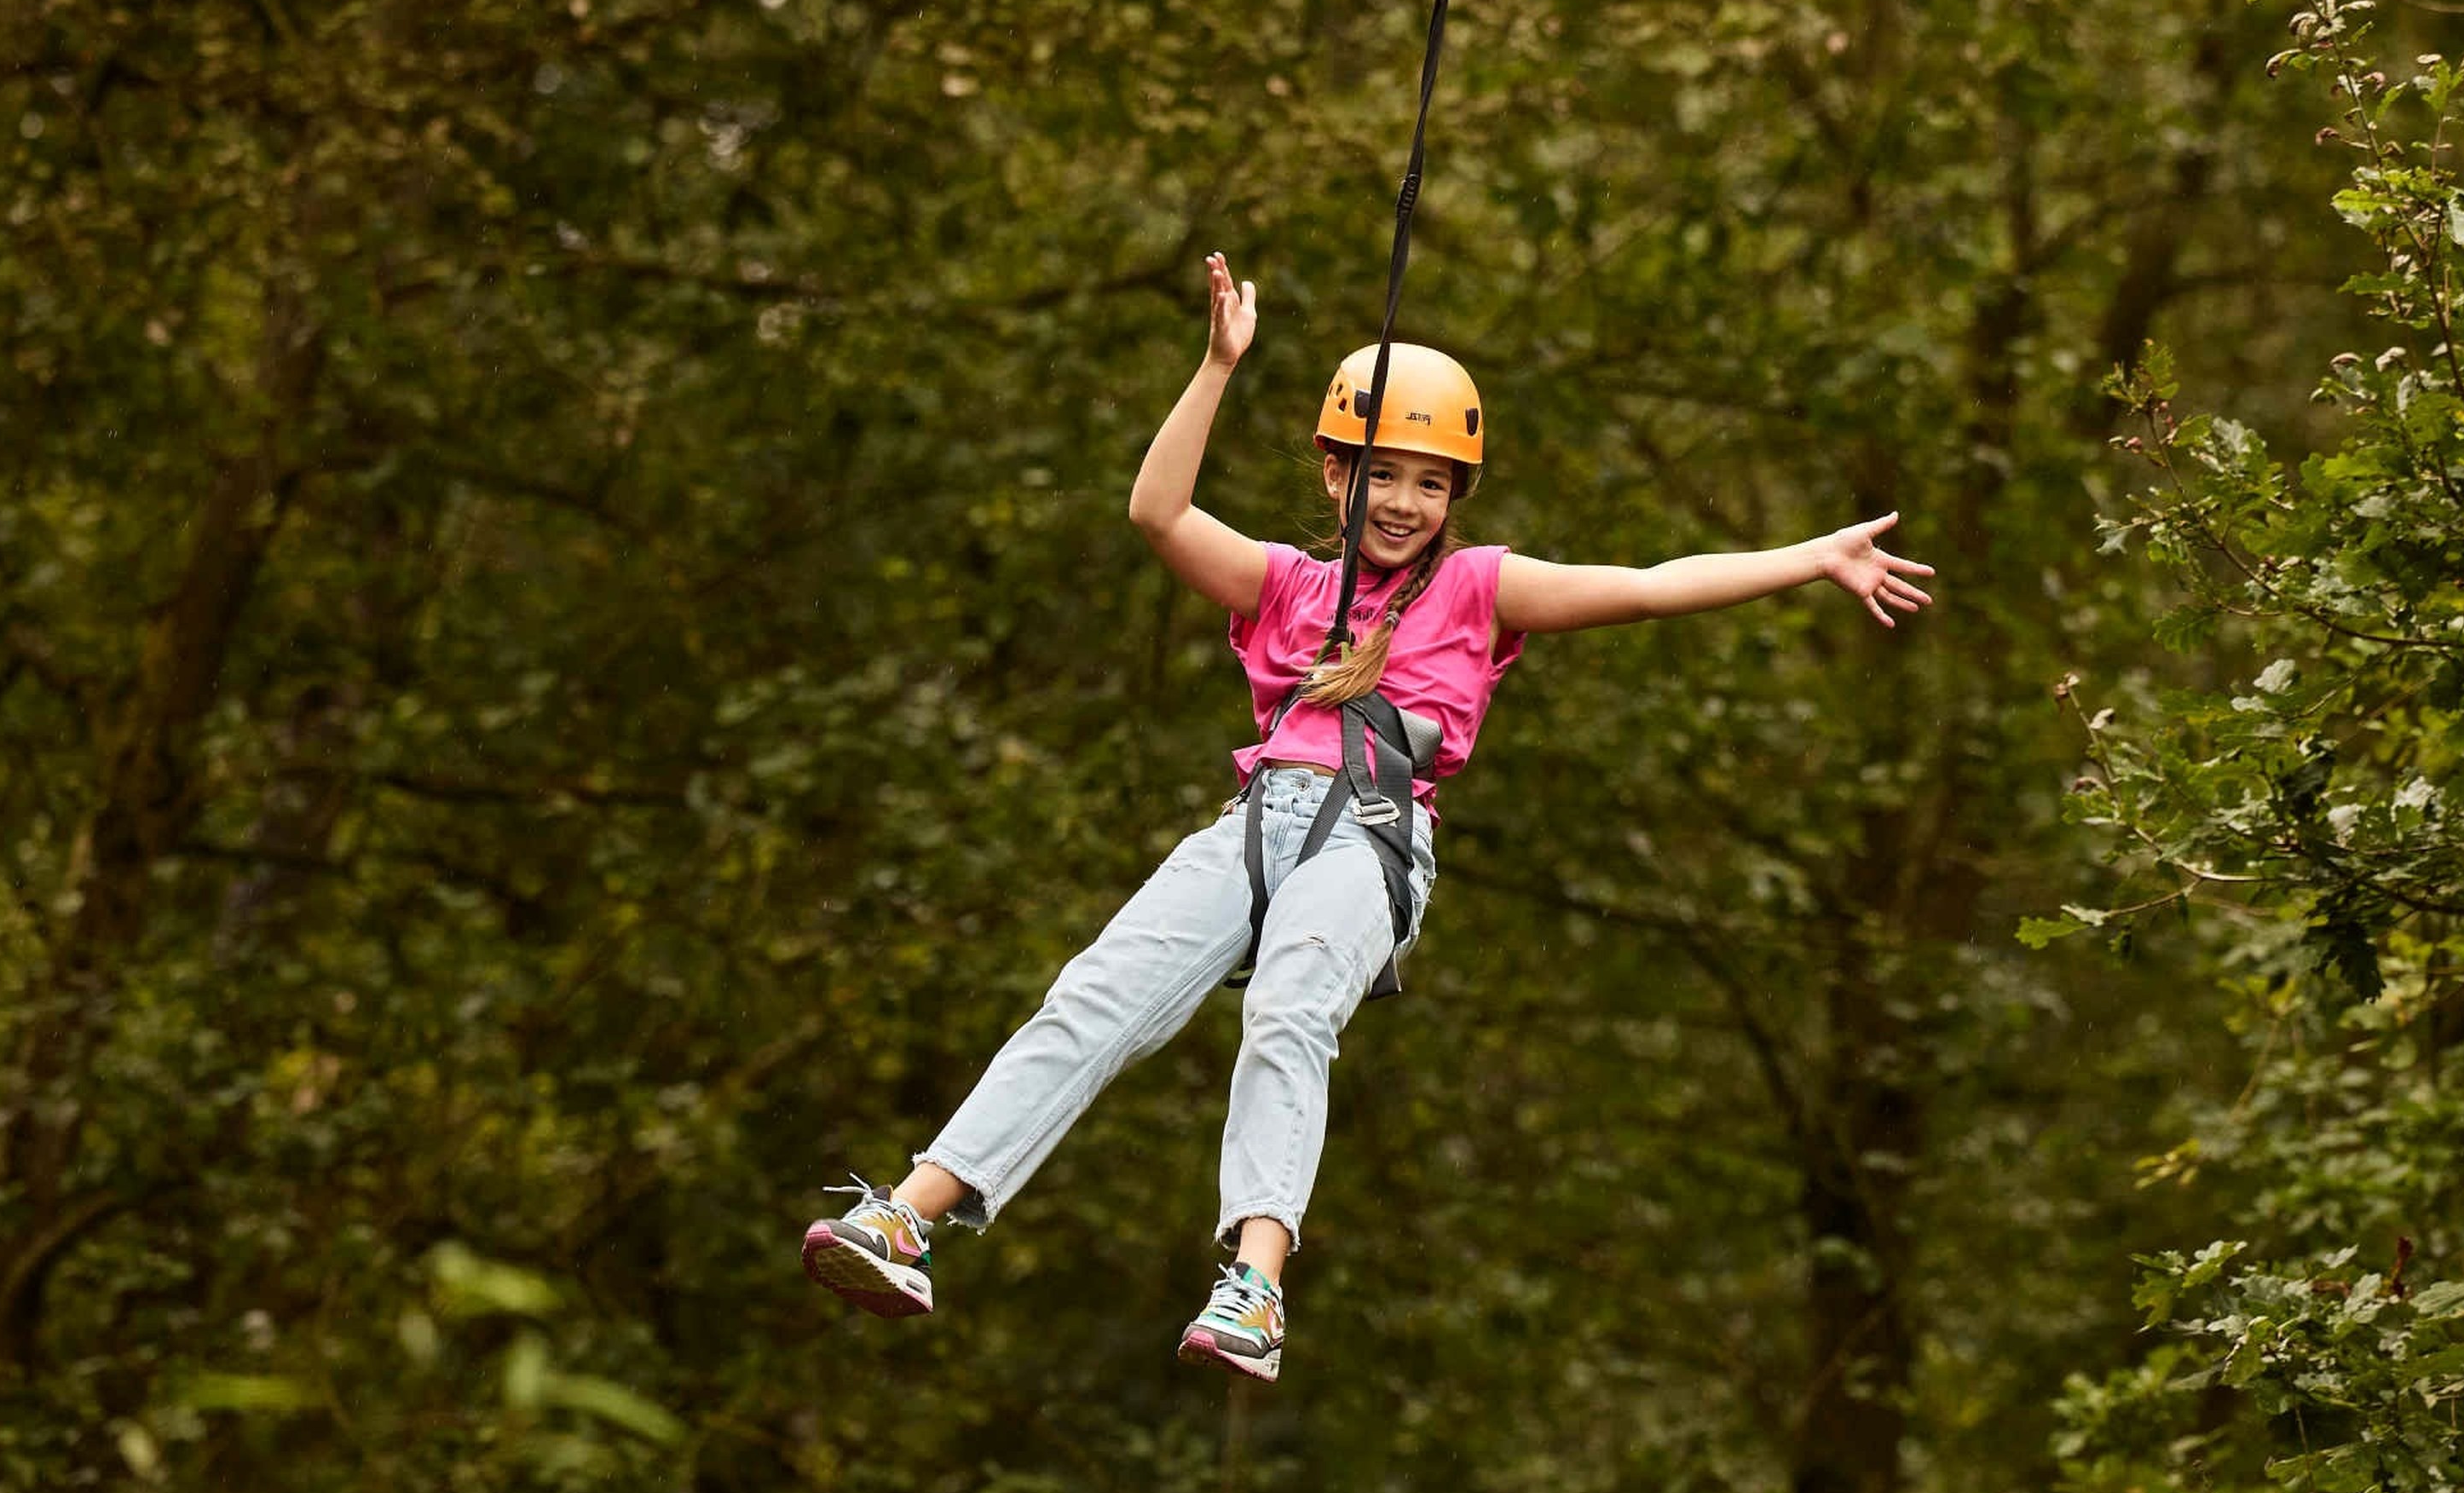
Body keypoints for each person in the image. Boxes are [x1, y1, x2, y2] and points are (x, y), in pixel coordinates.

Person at [801, 254, 1934, 1380]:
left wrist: (1813, 558)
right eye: (1382, 474)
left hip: (1371, 836)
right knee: (1093, 995)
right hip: (1255, 824)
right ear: (1337, 475)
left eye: (1431, 483)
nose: (1403, 502)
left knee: (1289, 1006)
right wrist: (1215, 366)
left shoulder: (1479, 589)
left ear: (1456, 501)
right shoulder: (1290, 584)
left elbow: (1646, 583)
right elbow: (1156, 512)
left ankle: (1255, 1285)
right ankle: (911, 1215)